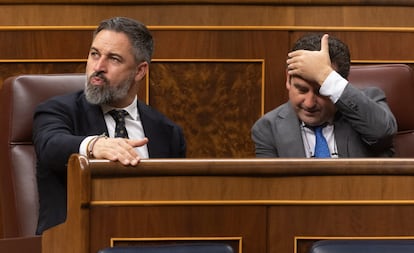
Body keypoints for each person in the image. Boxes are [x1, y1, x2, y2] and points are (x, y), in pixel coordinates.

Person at [33, 17, 186, 234]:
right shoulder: (58, 111)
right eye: (94, 54)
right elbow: (50, 145)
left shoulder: (168, 133)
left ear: (140, 71)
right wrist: (95, 145)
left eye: (113, 59)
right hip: (74, 240)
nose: (98, 67)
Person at [251, 33, 397, 158]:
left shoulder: (369, 102)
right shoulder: (268, 129)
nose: (309, 103)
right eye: (302, 90)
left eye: (322, 91)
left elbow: (382, 133)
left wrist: (325, 76)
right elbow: (272, 188)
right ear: (288, 80)